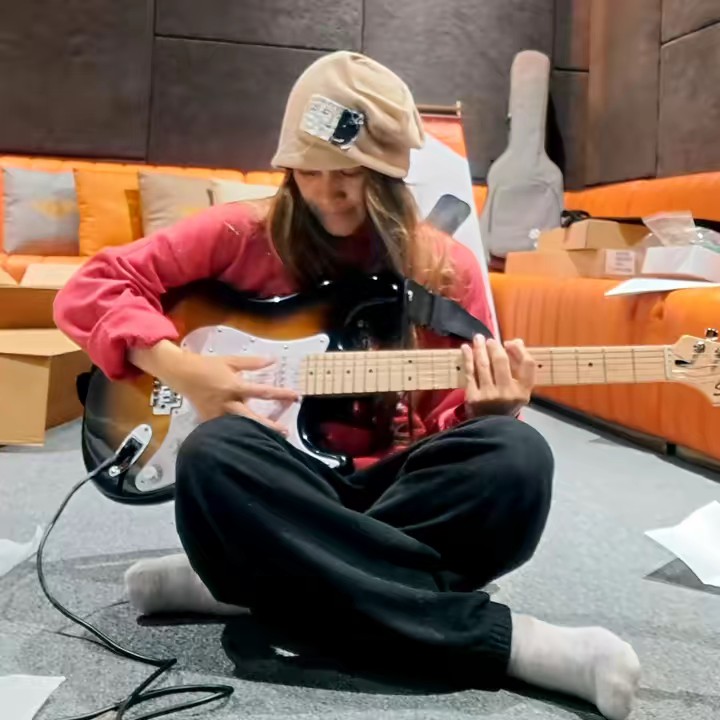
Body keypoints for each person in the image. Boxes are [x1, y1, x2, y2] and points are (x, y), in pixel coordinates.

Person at [53, 51, 640, 720]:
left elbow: (455, 434)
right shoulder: (240, 233)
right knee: (214, 454)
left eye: (350, 176)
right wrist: (183, 368)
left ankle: (251, 578)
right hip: (284, 481)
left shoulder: (444, 269)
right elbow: (91, 288)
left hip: (389, 490)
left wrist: (491, 411)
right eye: (310, 172)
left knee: (517, 457)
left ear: (389, 176)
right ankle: (513, 645)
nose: (327, 194)